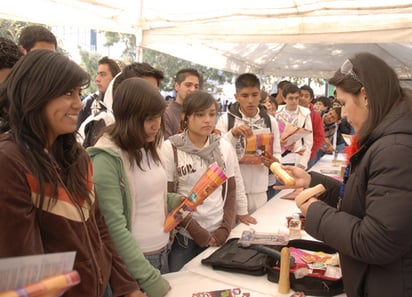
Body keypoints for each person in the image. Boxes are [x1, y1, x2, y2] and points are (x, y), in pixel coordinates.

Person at [0, 50, 143, 297]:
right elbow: (24, 263)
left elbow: (101, 227)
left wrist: (127, 287)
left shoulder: (77, 157)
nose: (78, 103)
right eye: (67, 93)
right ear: (35, 94)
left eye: (78, 92)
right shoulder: (10, 161)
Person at [282, 52, 412, 297]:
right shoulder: (386, 140)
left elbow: (377, 241)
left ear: (364, 95)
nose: (341, 115)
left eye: (343, 103)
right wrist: (313, 181)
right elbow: (362, 198)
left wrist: (314, 211)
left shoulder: (396, 150)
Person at [88, 78, 173, 297]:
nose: (156, 125)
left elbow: (145, 195)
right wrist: (148, 277)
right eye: (149, 119)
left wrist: (175, 200)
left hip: (163, 251)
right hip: (135, 267)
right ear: (129, 117)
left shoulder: (148, 146)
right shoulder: (106, 159)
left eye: (158, 117)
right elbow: (113, 227)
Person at [161, 90, 238, 272]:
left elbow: (231, 191)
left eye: (212, 114)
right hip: (185, 237)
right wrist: (196, 231)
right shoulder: (170, 148)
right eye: (200, 114)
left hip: (219, 234)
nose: (208, 120)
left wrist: (225, 228)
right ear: (185, 117)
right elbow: (168, 196)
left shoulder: (223, 147)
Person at [216, 73, 282, 212]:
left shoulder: (271, 121)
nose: (250, 100)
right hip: (233, 189)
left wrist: (274, 162)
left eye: (254, 95)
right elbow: (218, 152)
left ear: (260, 95)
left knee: (258, 226)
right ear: (236, 97)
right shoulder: (226, 120)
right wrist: (233, 134)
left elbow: (276, 152)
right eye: (245, 96)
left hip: (260, 188)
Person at [78, 62, 164, 147]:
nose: (153, 99)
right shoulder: (102, 122)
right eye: (144, 92)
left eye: (155, 92)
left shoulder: (154, 131)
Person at [276, 83, 313, 169]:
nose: (294, 101)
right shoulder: (277, 112)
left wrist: (303, 162)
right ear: (284, 98)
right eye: (291, 98)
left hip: (296, 156)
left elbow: (309, 141)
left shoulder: (305, 113)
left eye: (296, 98)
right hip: (279, 156)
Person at [77, 56, 122, 128]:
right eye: (97, 74)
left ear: (115, 77)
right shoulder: (89, 103)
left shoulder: (123, 103)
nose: (97, 79)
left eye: (102, 74)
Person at [163, 68, 201, 139]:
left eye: (196, 87)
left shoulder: (200, 113)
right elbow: (166, 146)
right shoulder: (166, 113)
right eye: (188, 85)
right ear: (176, 86)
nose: (193, 90)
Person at [299, 85, 325, 169]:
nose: (302, 98)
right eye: (301, 95)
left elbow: (319, 137)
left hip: (308, 155)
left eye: (306, 96)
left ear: (311, 99)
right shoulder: (292, 112)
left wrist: (309, 151)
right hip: (291, 155)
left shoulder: (315, 116)